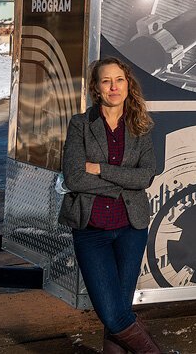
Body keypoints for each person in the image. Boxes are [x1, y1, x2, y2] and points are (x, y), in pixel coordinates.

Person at [60, 56, 161, 353]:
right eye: (106, 81)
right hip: (92, 230)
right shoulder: (80, 125)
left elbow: (146, 176)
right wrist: (123, 183)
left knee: (117, 310)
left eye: (119, 80)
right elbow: (75, 177)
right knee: (114, 313)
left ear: (127, 84)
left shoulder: (140, 125)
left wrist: (101, 170)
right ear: (96, 87)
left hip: (132, 229)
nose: (113, 87)